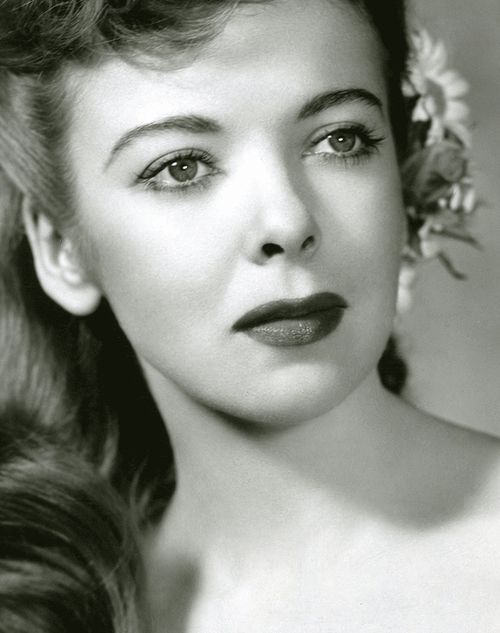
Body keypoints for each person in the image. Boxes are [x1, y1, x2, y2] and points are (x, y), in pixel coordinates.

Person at [0, 1, 499, 631]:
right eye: (181, 168)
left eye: (340, 139)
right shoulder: (46, 608)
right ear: (61, 250)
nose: (287, 223)